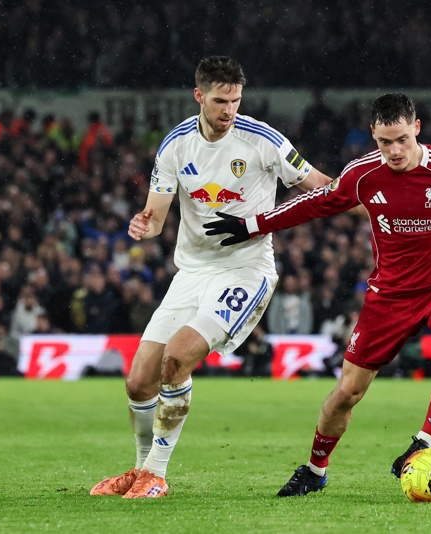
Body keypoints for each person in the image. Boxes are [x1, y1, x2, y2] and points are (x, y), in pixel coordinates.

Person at [204, 93, 431, 496]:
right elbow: (315, 203)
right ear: (373, 135)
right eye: (384, 142)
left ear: (417, 128)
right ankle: (315, 470)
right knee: (347, 392)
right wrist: (252, 225)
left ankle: (424, 441)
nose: (394, 151)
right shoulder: (362, 175)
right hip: (389, 295)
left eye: (402, 139)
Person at [89, 56, 332, 499]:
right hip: (192, 272)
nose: (229, 110)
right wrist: (145, 224)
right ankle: (139, 468)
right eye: (221, 101)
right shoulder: (176, 145)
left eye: (236, 101)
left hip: (245, 270)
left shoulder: (263, 141)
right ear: (199, 96)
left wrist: (374, 202)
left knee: (176, 359)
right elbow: (156, 216)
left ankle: (156, 474)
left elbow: (317, 183)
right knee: (139, 380)